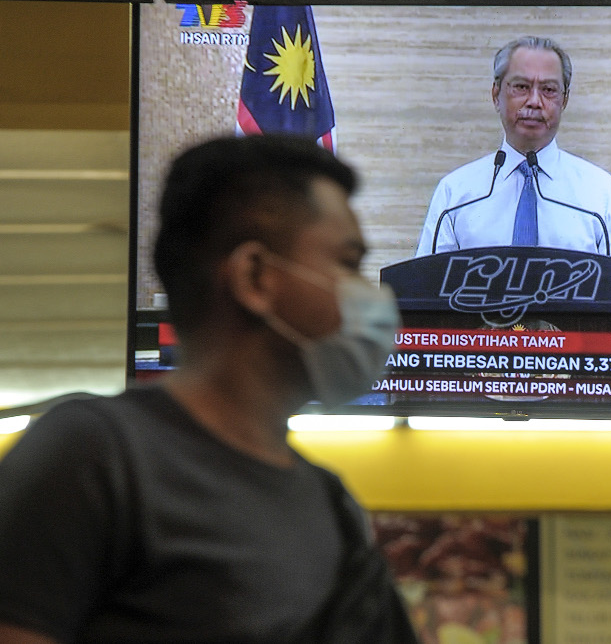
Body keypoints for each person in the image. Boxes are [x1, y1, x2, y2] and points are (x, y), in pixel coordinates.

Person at [0, 134, 417, 643]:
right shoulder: (96, 456)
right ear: (255, 278)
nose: (369, 296)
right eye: (348, 264)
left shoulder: (331, 506)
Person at [415, 36, 611, 262]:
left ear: (564, 101)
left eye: (549, 90)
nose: (534, 101)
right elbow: (424, 288)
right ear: (496, 96)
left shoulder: (602, 194)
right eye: (521, 87)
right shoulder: (455, 194)